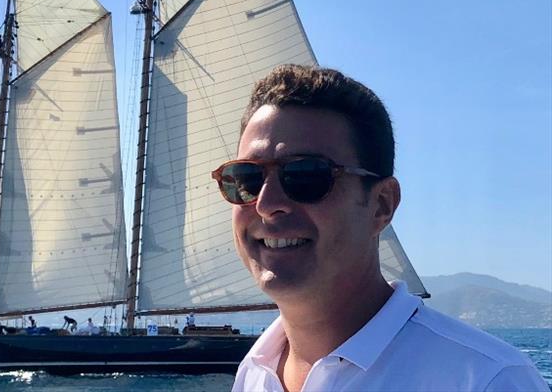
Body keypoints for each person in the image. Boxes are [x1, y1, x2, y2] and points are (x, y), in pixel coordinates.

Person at [218, 65, 547, 392]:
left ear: (382, 205)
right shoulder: (255, 372)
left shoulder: (489, 380)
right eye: (246, 178)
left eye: (306, 175)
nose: (266, 203)